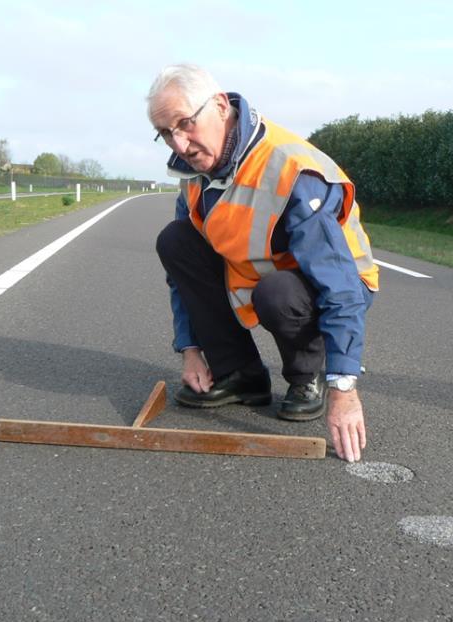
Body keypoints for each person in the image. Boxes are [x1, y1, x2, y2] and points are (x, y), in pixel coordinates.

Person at [147, 64, 379, 462]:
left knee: (278, 291)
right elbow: (180, 277)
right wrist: (190, 349)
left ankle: (308, 378)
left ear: (220, 106)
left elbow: (337, 285)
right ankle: (241, 375)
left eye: (185, 124)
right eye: (167, 133)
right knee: (176, 241)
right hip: (258, 274)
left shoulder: (290, 168)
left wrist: (344, 387)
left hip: (333, 281)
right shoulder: (192, 175)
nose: (180, 144)